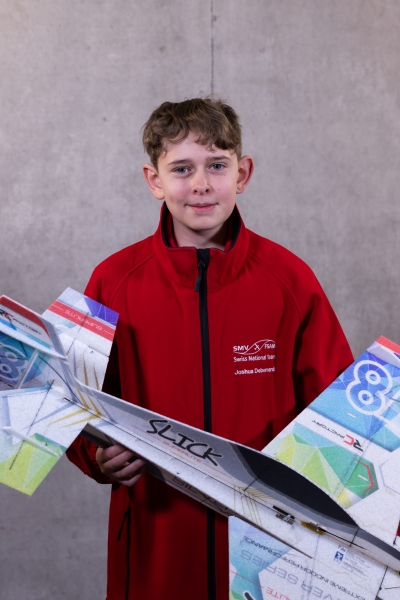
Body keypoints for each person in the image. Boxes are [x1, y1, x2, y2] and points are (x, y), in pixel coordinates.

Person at [66, 97, 353, 600]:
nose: (201, 183)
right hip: (157, 543)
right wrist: (96, 455)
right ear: (154, 180)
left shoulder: (290, 281)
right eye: (182, 169)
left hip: (270, 551)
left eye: (217, 165)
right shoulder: (112, 281)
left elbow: (341, 415)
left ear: (243, 173)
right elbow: (67, 403)